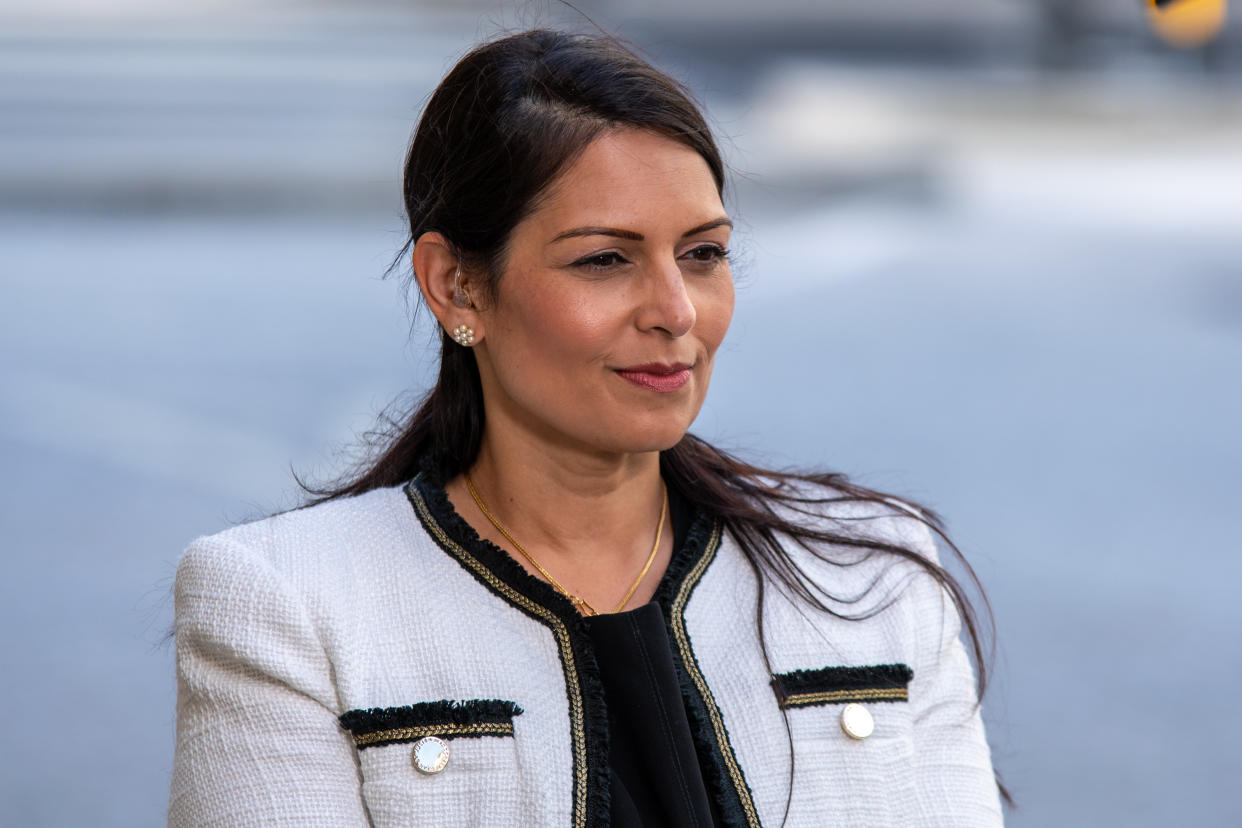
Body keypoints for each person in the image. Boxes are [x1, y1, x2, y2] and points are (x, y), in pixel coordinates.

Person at [169, 28, 1004, 827]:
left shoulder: (869, 577)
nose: (676, 312)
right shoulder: (288, 606)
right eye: (605, 259)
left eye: (704, 253)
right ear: (457, 286)